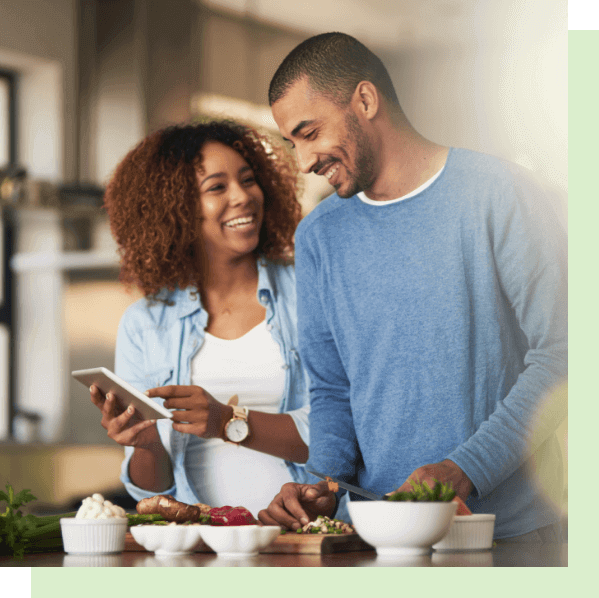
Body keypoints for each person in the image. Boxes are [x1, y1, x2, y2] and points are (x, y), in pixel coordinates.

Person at [258, 32, 567, 542]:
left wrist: (465, 468)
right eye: (294, 143)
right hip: (376, 536)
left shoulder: (499, 194)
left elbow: (565, 353)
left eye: (309, 132)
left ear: (365, 99)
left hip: (508, 534)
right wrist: (324, 484)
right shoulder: (318, 237)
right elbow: (333, 391)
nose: (304, 160)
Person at [88, 119, 350, 520]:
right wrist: (143, 443)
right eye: (217, 187)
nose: (243, 197)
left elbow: (341, 434)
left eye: (248, 180)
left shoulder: (310, 290)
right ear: (176, 209)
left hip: (308, 536)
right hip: (205, 545)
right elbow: (154, 488)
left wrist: (227, 422)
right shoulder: (145, 324)